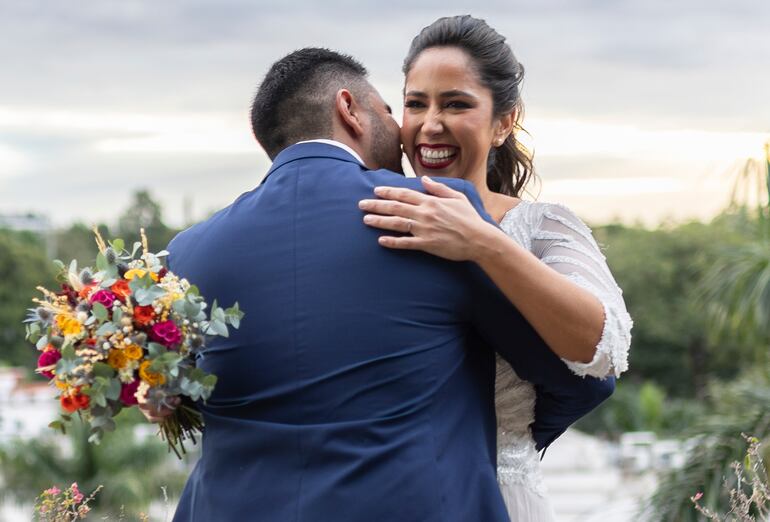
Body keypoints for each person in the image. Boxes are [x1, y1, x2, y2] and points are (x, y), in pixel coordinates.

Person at [147, 47, 614, 521]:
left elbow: (176, 394)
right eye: (397, 109)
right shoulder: (430, 216)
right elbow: (571, 374)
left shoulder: (188, 251)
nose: (405, 131)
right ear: (349, 109)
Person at [358, 15, 633, 521]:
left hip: (502, 497)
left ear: (504, 121)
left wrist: (484, 242)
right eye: (416, 103)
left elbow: (604, 347)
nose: (430, 123)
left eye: (456, 104)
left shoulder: (542, 225)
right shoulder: (371, 215)